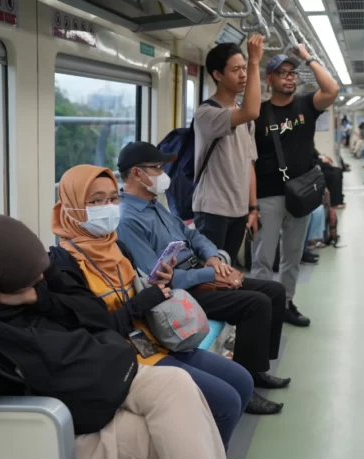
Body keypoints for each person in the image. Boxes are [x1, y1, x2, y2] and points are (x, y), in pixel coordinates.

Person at [0, 214, 228, 459]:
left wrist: (38, 297)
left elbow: (96, 314)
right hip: (64, 415)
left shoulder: (41, 278)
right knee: (165, 435)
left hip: (102, 373)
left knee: (179, 386)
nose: (41, 279)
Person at [50, 165, 257, 446]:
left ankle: (211, 453)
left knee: (243, 381)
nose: (108, 208)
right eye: (96, 201)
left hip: (153, 337)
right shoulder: (64, 266)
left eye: (113, 199)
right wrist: (143, 301)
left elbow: (134, 291)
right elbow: (94, 330)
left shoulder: (116, 246)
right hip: (121, 356)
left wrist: (158, 281)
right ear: (72, 206)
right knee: (226, 402)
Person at [113, 143, 290, 415]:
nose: (163, 173)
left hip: (202, 272)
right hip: (183, 290)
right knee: (257, 304)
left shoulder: (154, 205)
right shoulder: (128, 221)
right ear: (136, 173)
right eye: (157, 168)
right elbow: (156, 277)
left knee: (275, 292)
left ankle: (257, 368)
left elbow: (192, 236)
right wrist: (211, 274)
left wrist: (213, 259)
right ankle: (247, 385)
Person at [250, 45, 339, 327]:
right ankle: (262, 308)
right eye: (282, 74)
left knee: (292, 256)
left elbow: (332, 89)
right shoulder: (258, 113)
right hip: (268, 195)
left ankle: (286, 303)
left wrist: (307, 56)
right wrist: (251, 205)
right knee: (263, 258)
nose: (289, 78)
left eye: (292, 73)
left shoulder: (305, 105)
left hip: (299, 196)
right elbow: (248, 163)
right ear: (269, 80)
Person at [192, 36, 264, 263]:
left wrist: (252, 207)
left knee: (228, 272)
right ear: (217, 75)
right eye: (236, 70)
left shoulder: (244, 117)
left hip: (239, 210)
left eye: (244, 68)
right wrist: (254, 63)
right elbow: (252, 111)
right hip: (212, 210)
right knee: (211, 277)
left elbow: (249, 163)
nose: (243, 75)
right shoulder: (207, 113)